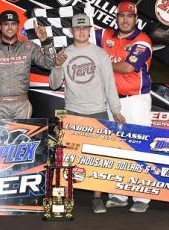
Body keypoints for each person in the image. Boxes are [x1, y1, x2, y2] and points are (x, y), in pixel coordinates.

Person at [49, 13, 125, 214]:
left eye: (84, 28)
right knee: (68, 158)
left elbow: (110, 84)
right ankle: (62, 198)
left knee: (98, 157)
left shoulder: (100, 54)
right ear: (71, 31)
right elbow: (54, 84)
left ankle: (97, 198)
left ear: (89, 30)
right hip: (73, 111)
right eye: (77, 28)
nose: (81, 31)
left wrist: (116, 110)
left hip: (98, 111)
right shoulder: (64, 54)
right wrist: (57, 66)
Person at [96, 1, 153, 213]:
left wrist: (99, 63)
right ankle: (118, 195)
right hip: (110, 100)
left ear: (136, 19)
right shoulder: (104, 36)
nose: (125, 20)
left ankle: (142, 197)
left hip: (135, 100)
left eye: (130, 16)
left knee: (139, 146)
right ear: (116, 17)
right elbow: (78, 35)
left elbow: (128, 66)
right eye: (121, 16)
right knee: (114, 147)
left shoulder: (142, 40)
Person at [0, 10, 55, 119]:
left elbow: (49, 64)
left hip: (21, 105)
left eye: (13, 24)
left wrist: (45, 41)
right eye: (6, 24)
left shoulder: (28, 47)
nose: (10, 27)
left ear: (18, 26)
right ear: (0, 27)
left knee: (21, 136)